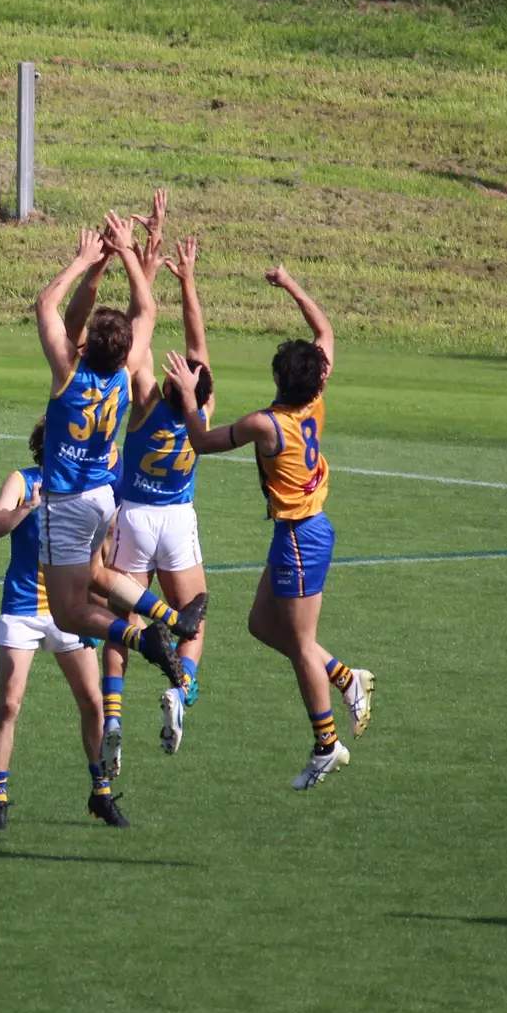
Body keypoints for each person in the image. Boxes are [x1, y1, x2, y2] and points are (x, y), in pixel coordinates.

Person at [164, 266, 373, 792]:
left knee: (302, 644)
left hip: (300, 536)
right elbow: (325, 331)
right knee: (261, 624)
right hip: (302, 532)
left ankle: (327, 744)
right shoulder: (315, 399)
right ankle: (347, 678)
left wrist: (190, 395)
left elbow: (204, 441)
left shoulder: (267, 423)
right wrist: (291, 284)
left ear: (281, 380)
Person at [32, 219, 181, 691]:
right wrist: (129, 257)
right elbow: (149, 309)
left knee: (69, 612)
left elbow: (45, 304)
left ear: (86, 345)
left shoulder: (68, 374)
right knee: (97, 572)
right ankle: (172, 617)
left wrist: (85, 260)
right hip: (103, 497)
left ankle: (143, 640)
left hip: (68, 502)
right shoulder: (126, 371)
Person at [0, 423, 128, 831]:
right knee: (9, 704)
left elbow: (102, 555)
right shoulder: (22, 481)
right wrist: (26, 508)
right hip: (24, 608)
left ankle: (101, 794)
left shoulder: (89, 490)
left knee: (93, 703)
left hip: (72, 610)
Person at [112, 233, 214, 760]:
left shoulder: (147, 404)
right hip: (177, 519)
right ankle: (183, 686)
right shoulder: (201, 415)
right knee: (192, 611)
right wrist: (188, 280)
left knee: (123, 620)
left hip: (132, 517)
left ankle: (112, 715)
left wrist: (145, 271)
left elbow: (139, 342)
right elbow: (198, 348)